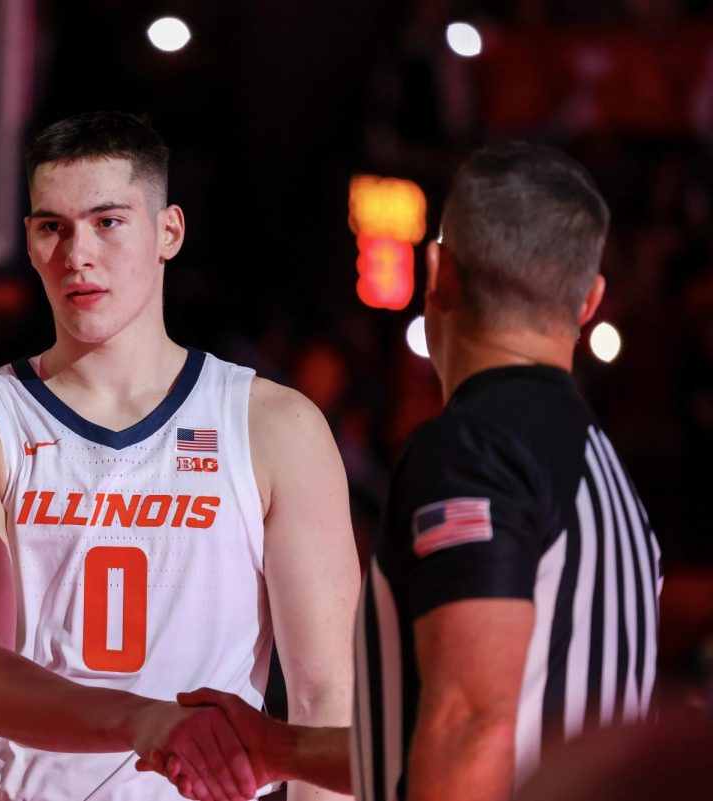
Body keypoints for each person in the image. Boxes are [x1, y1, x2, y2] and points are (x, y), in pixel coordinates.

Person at [146, 142, 662, 801]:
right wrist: (277, 747)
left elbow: (469, 727)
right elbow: (461, 739)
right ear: (589, 302)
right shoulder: (611, 478)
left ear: (437, 270)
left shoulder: (476, 447)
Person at [0, 111, 360, 801]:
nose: (77, 253)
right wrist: (142, 719)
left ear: (168, 231)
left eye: (107, 221)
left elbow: (328, 698)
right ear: (29, 241)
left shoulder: (276, 426)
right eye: (52, 226)